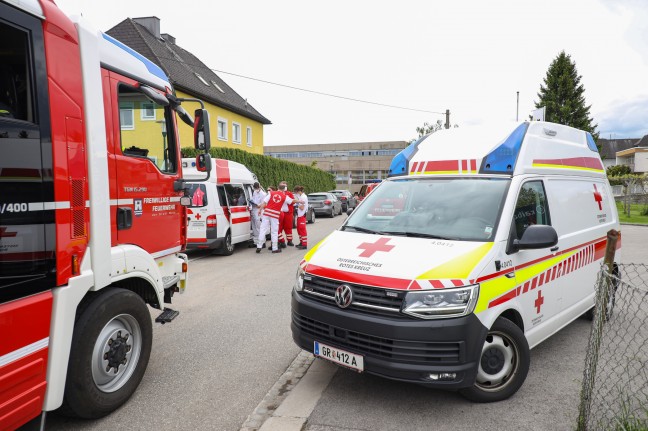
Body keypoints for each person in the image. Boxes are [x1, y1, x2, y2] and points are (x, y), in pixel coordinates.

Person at [257, 182, 293, 253]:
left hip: (266, 213)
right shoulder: (284, 196)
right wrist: (300, 201)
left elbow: (264, 203)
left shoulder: (271, 193)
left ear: (277, 188)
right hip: (275, 215)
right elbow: (292, 201)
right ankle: (274, 248)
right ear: (283, 189)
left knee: (262, 229)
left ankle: (259, 246)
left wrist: (260, 210)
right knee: (274, 231)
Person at [248, 182, 266, 248]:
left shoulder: (263, 194)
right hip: (253, 210)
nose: (256, 189)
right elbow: (253, 199)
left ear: (259, 187)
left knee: (259, 227)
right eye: (255, 188)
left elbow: (264, 203)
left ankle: (262, 242)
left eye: (257, 188)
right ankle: (256, 242)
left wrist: (258, 205)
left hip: (259, 211)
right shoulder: (254, 192)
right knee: (254, 227)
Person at [277, 181, 295, 248]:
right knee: (279, 227)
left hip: (288, 213)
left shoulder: (289, 193)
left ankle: (289, 240)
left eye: (285, 185)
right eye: (282, 185)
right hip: (280, 212)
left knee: (288, 227)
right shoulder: (277, 193)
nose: (284, 187)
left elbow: (293, 202)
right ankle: (279, 241)